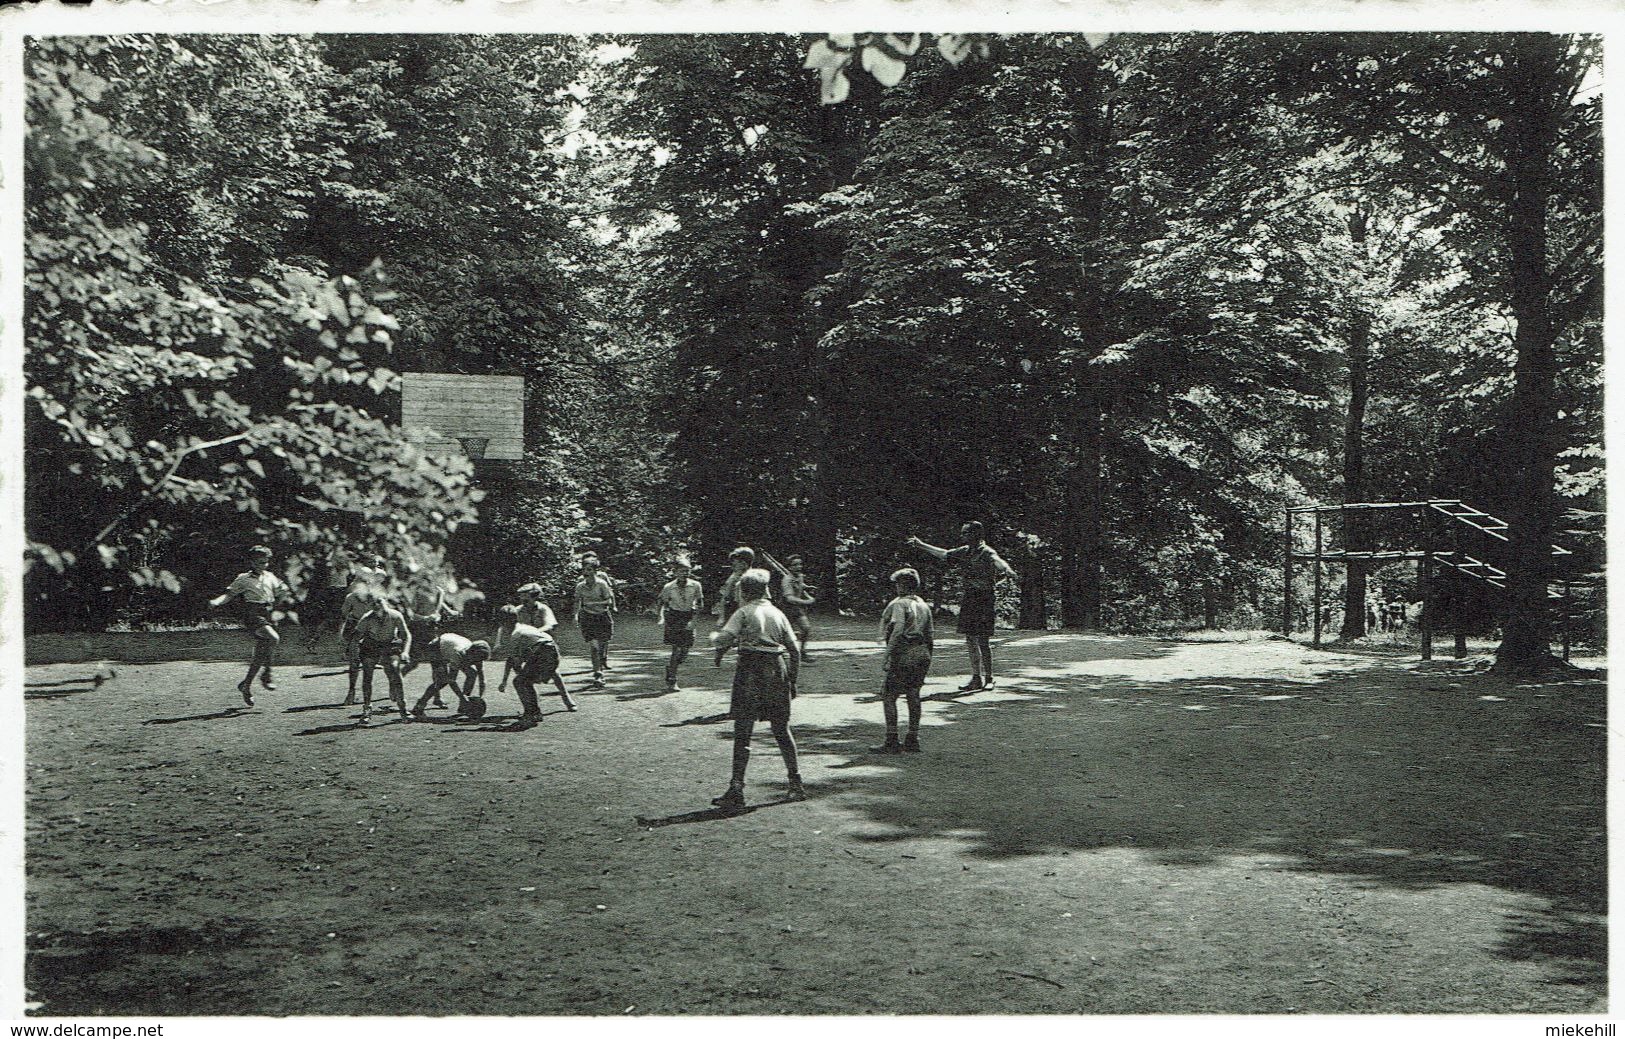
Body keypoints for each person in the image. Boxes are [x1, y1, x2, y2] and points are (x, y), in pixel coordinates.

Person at [710, 568, 806, 810]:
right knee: (781, 729)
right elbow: (794, 651)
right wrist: (792, 680)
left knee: (743, 731)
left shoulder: (743, 612)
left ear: (744, 591)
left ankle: (737, 788)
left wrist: (716, 642)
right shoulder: (778, 614)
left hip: (750, 671)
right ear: (766, 591)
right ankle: (795, 783)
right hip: (777, 669)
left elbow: (724, 639)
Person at [908, 521, 1018, 692]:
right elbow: (944, 554)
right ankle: (976, 678)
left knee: (983, 640)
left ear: (976, 534)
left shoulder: (986, 552)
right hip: (970, 598)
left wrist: (1008, 570)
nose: (963, 536)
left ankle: (989, 678)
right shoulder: (965, 551)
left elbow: (998, 561)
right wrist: (921, 545)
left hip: (984, 599)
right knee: (970, 639)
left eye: (966, 533)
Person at [208, 545, 290, 707]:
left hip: (267, 612)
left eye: (266, 562)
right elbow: (229, 594)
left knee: (260, 655)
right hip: (253, 613)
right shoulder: (243, 578)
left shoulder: (270, 576)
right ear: (252, 562)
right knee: (274, 638)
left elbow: (281, 591)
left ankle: (246, 686)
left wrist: (281, 597)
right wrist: (216, 601)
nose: (264, 565)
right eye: (260, 562)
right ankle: (267, 674)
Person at [874, 567, 933, 753]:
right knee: (913, 694)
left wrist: (887, 655)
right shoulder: (924, 605)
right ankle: (913, 737)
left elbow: (898, 630)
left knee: (889, 695)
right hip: (922, 652)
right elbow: (930, 634)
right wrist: (928, 656)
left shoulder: (900, 604)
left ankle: (891, 739)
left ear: (902, 586)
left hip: (905, 652)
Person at [497, 605, 576, 726]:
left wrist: (506, 681)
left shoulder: (515, 635)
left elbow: (514, 661)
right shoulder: (524, 627)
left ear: (504, 622)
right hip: (552, 651)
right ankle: (534, 712)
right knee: (523, 680)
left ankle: (532, 713)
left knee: (520, 682)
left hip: (545, 653)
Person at [351, 591, 412, 725]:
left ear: (386, 601)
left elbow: (406, 636)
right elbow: (355, 638)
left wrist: (405, 652)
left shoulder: (395, 615)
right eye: (374, 604)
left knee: (395, 669)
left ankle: (403, 708)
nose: (378, 606)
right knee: (367, 674)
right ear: (371, 607)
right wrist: (354, 655)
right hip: (371, 646)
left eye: (380, 602)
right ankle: (367, 709)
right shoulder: (367, 618)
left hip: (389, 645)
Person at [411, 632, 491, 719]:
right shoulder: (457, 654)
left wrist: (481, 697)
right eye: (476, 659)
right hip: (436, 648)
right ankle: (419, 706)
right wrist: (462, 698)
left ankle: (462, 706)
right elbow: (452, 680)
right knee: (442, 681)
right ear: (471, 654)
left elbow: (482, 679)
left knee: (472, 673)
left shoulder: (477, 655)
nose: (477, 662)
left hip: (450, 644)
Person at [656, 556, 705, 692]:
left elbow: (700, 603)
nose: (685, 573)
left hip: (688, 616)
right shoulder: (669, 587)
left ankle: (671, 668)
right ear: (675, 571)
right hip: (674, 617)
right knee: (676, 649)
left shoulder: (695, 585)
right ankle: (672, 679)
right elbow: (661, 602)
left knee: (685, 650)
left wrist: (694, 620)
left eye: (687, 570)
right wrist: (661, 617)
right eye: (682, 570)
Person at [573, 554, 616, 689]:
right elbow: (576, 602)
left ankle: (602, 663)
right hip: (588, 618)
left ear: (595, 571)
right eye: (585, 570)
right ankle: (598, 674)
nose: (586, 572)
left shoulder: (602, 584)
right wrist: (575, 615)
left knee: (602, 646)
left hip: (602, 616)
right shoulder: (580, 586)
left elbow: (608, 600)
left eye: (589, 570)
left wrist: (593, 603)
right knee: (594, 647)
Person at [337, 574, 375, 706]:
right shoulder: (351, 598)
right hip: (357, 630)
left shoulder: (376, 598)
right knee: (354, 663)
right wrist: (341, 633)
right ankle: (351, 691)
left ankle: (393, 688)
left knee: (382, 662)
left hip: (374, 631)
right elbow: (343, 616)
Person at [777, 553, 816, 660]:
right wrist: (807, 602)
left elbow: (800, 586)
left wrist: (806, 588)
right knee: (782, 634)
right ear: (789, 567)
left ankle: (802, 652)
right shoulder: (786, 580)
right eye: (795, 565)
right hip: (786, 609)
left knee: (806, 628)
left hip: (796, 608)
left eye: (800, 564)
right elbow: (789, 598)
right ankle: (776, 653)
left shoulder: (799, 576)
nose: (798, 567)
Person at [715, 547, 756, 625]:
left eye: (734, 564)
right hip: (736, 614)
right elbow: (725, 597)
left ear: (744, 564)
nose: (732, 567)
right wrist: (722, 617)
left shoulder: (756, 578)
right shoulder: (733, 577)